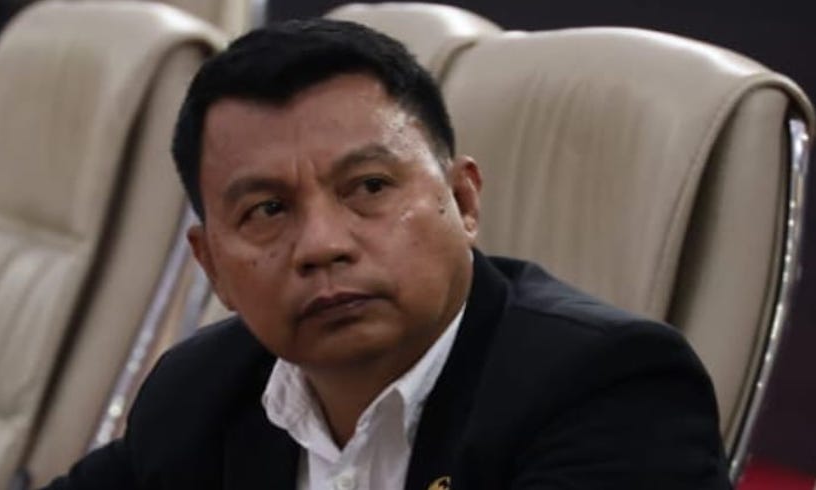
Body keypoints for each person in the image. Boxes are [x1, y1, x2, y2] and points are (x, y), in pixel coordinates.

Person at [43, 18, 731, 490]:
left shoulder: (609, 390)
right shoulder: (199, 392)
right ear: (213, 266)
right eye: (268, 211)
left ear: (463, 200)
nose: (322, 245)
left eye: (369, 187)